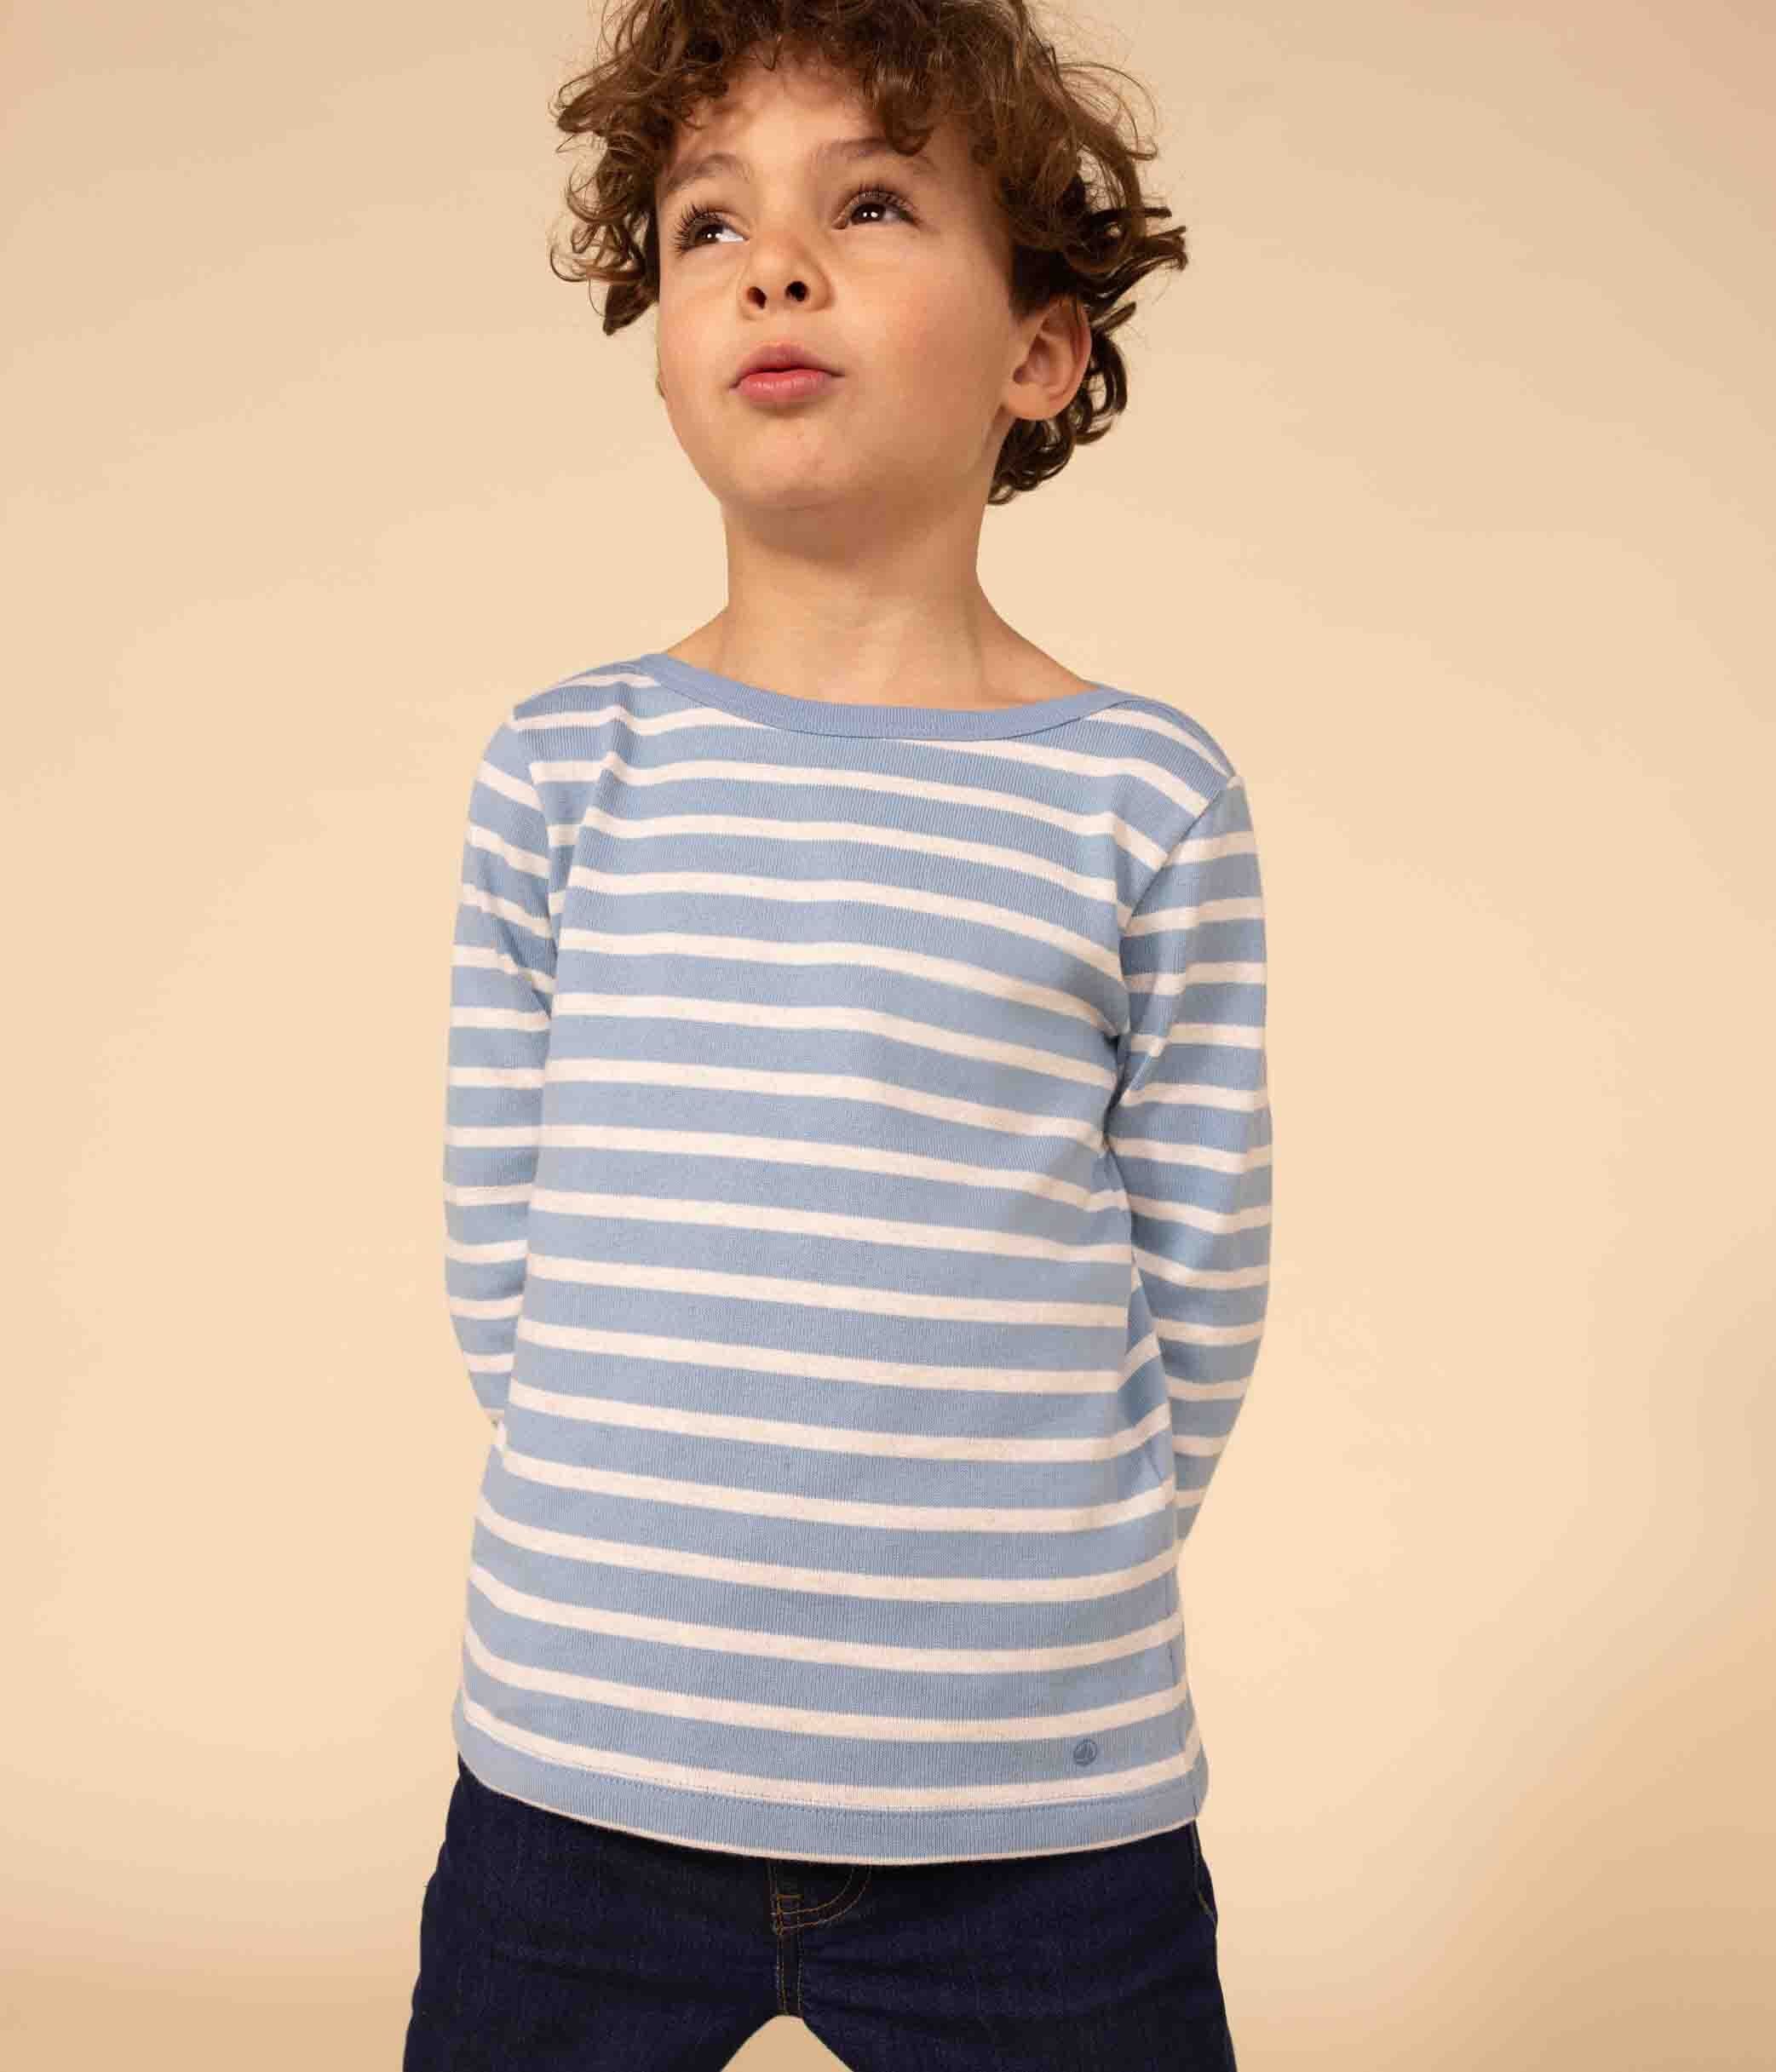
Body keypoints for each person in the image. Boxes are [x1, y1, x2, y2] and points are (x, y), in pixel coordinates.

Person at [405, 3, 1271, 2065]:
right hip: (578, 1780)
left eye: (867, 206)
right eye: (709, 225)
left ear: (1037, 351)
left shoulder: (1138, 794)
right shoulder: (567, 769)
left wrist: (1017, 1600)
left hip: (1037, 1812)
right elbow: (501, 1258)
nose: (771, 267)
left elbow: (1192, 1286)